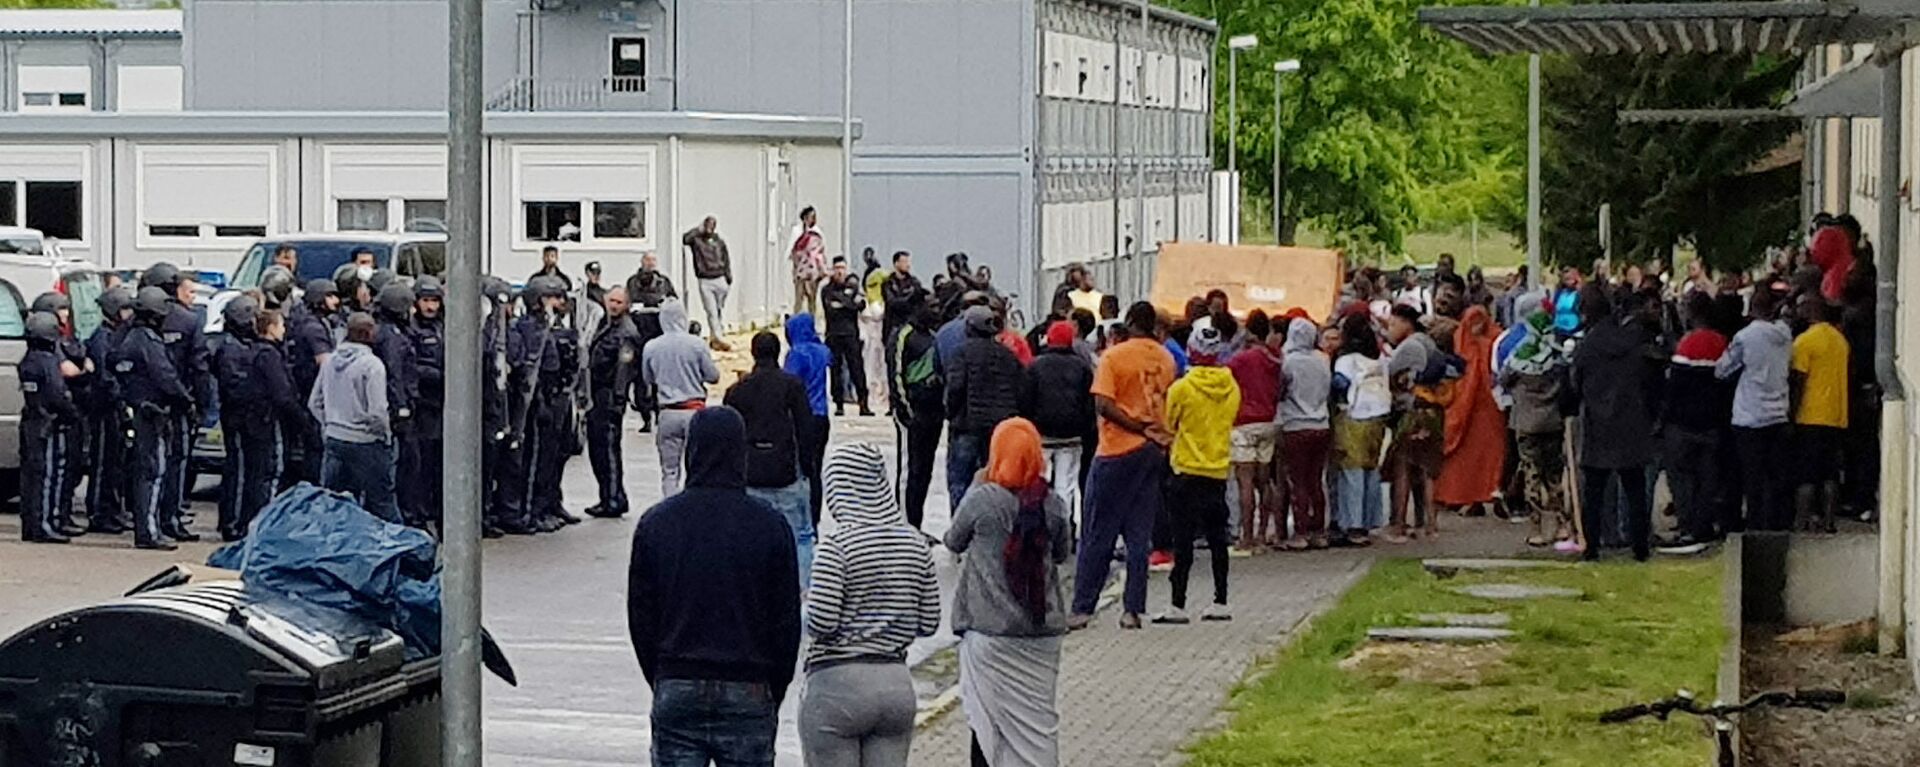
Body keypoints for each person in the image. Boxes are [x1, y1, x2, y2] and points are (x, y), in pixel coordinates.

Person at [627, 407, 801, 767]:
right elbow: (785, 621)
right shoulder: (769, 526)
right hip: (748, 683)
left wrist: (662, 675)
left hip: (678, 679)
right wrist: (773, 688)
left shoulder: (657, 524)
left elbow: (641, 615)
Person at [801, 443, 942, 767]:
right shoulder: (914, 543)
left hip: (837, 686)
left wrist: (806, 603)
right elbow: (929, 621)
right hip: (895, 684)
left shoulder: (838, 545)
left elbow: (822, 623)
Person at [945, 417, 1071, 767]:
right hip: (1042, 633)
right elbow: (1062, 553)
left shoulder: (983, 499)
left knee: (986, 724)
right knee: (1038, 724)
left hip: (989, 632)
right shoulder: (1053, 502)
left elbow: (953, 540)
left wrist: (977, 481)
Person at [1070, 302, 1176, 631]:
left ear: (1130, 322)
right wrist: (1152, 432)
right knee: (1138, 532)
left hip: (1116, 449)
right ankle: (1132, 610)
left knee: (1098, 530)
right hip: (1152, 450)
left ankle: (1083, 607)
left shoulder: (1114, 357)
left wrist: (1134, 426)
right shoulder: (1165, 358)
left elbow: (1103, 403)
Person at [1156, 317, 1240, 624]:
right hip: (1217, 469)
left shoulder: (1182, 388)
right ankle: (1221, 600)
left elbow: (1168, 423)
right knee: (1218, 540)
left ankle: (1177, 605)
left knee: (1182, 541)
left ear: (1191, 349)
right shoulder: (1231, 386)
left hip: (1185, 470)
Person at [1569, 286, 1656, 561]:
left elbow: (1575, 385)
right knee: (1634, 489)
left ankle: (1592, 545)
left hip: (1598, 423)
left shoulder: (1587, 347)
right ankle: (1640, 545)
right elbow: (1649, 379)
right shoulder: (1632, 341)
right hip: (1631, 420)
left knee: (1594, 491)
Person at [725, 331, 818, 585]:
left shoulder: (737, 391)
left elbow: (730, 436)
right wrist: (809, 469)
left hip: (751, 475)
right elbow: (805, 429)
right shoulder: (792, 386)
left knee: (751, 537)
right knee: (800, 535)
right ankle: (801, 591)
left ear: (754, 353)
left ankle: (752, 588)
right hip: (787, 471)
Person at [309, 313, 402, 523]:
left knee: (334, 504)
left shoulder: (330, 360)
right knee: (382, 503)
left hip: (335, 439)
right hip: (367, 443)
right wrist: (384, 433)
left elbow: (314, 401)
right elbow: (377, 410)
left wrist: (330, 423)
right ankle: (397, 550)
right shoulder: (372, 365)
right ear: (370, 333)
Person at [138, 263, 208, 541]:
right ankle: (170, 517)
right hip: (178, 401)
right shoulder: (189, 320)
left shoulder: (139, 319)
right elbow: (199, 366)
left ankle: (153, 518)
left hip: (149, 400)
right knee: (176, 460)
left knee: (150, 465)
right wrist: (200, 404)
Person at [1658, 292, 1731, 553]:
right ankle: (1704, 524)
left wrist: (1663, 420)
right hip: (1713, 422)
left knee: (1682, 478)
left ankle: (1689, 527)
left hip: (1684, 423)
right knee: (1708, 477)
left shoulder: (1687, 345)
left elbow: (1675, 386)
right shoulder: (1723, 343)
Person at [1716, 287, 1792, 531]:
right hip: (1779, 411)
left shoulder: (1745, 337)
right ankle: (1777, 522)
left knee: (1753, 476)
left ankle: (1756, 522)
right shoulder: (1785, 334)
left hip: (1750, 415)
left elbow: (1722, 370)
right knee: (1776, 475)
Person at [213, 298, 284, 540]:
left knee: (246, 469)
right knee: (239, 470)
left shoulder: (242, 345)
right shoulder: (231, 348)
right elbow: (234, 385)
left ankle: (236, 519)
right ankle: (232, 522)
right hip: (239, 417)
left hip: (244, 416)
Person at [945, 305, 1024, 512]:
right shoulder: (1008, 356)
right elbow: (1020, 389)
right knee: (995, 479)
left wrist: (951, 414)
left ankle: (961, 528)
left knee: (960, 481)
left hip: (967, 425)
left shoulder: (961, 353)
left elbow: (955, 388)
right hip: (999, 429)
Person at [642, 299, 721, 497]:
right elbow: (713, 376)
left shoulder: (651, 347)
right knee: (697, 467)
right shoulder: (696, 344)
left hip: (667, 412)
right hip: (695, 411)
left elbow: (647, 378)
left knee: (669, 471)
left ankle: (670, 508)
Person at [1434, 306, 1506, 516]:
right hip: (1469, 408)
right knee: (1466, 457)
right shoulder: (1463, 341)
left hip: (1487, 411)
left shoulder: (1492, 340)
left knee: (1487, 457)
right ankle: (1462, 496)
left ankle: (1484, 494)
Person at [1022, 320, 1095, 525]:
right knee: (1066, 484)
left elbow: (1026, 400)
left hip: (1041, 434)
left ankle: (1040, 526)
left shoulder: (1035, 365)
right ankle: (1063, 528)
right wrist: (1086, 430)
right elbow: (1089, 403)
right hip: (1072, 435)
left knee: (1040, 481)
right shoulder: (1082, 367)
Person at [580, 286, 643, 519]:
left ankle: (613, 498)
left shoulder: (626, 332)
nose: (614, 305)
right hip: (598, 394)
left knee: (606, 449)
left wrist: (618, 399)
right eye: (611, 301)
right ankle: (607, 496)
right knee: (599, 449)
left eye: (619, 301)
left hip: (608, 396)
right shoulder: (608, 326)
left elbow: (624, 369)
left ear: (626, 304)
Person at [1383, 305, 1445, 542]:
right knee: (1428, 471)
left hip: (1412, 413)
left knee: (1403, 469)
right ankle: (1430, 524)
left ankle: (1398, 524)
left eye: (1393, 324)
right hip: (1433, 412)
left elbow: (1395, 379)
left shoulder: (1409, 347)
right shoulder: (1429, 343)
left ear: (1406, 323)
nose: (1390, 330)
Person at [1790, 296, 1850, 533]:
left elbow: (1799, 381)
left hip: (1810, 415)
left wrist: (1792, 413)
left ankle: (1802, 520)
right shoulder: (1840, 340)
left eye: (1802, 306)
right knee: (1830, 472)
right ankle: (1829, 521)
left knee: (1806, 472)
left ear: (1812, 310)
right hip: (1836, 415)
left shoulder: (1804, 342)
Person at [1330, 313, 1392, 545]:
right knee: (1371, 469)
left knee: (1351, 472)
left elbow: (1340, 385)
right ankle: (1369, 520)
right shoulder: (1379, 357)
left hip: (1354, 416)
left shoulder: (1347, 360)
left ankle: (1352, 523)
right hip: (1378, 416)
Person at [19, 311, 79, 544]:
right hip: (48, 424)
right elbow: (57, 394)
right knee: (47, 475)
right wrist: (71, 414)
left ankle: (32, 524)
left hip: (32, 421)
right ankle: (43, 525)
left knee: (31, 477)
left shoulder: (27, 360)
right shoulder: (46, 361)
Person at [1227, 315, 1283, 550]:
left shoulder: (1240, 360)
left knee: (1245, 482)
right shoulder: (1275, 359)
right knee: (1265, 480)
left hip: (1244, 422)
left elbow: (1225, 378)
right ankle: (1264, 532)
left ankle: (1247, 536)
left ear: (1249, 332)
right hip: (1268, 420)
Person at [83, 286, 135, 534]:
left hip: (115, 405)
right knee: (104, 460)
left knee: (117, 462)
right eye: (125, 309)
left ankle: (113, 509)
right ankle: (98, 512)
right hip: (104, 407)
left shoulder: (118, 335)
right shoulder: (102, 338)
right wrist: (120, 400)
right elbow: (105, 376)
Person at [1279, 316, 1333, 550]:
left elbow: (1282, 390)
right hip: (1321, 423)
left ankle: (1300, 531)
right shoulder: (1323, 360)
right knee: (1315, 480)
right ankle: (1319, 530)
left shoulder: (1289, 362)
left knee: (1297, 481)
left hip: (1295, 424)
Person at [775, 313, 834, 525]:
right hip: (822, 415)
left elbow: (787, 382)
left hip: (802, 416)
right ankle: (815, 518)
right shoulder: (822, 350)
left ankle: (802, 517)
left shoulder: (797, 354)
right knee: (816, 469)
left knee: (801, 470)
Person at [891, 300, 944, 531]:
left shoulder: (934, 336)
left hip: (934, 413)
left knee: (925, 470)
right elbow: (896, 373)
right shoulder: (904, 335)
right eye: (930, 306)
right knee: (909, 469)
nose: (935, 310)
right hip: (912, 412)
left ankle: (917, 524)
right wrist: (904, 409)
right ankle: (903, 526)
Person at [402, 277, 447, 529]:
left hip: (445, 406)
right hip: (423, 406)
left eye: (434, 301)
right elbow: (409, 365)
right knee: (422, 465)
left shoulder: (445, 326)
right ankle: (420, 514)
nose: (430, 306)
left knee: (442, 465)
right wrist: (435, 375)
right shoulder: (412, 329)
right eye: (426, 301)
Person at [822, 256, 873, 417]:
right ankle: (839, 404)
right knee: (835, 370)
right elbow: (831, 308)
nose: (840, 271)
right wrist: (849, 303)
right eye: (837, 268)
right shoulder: (827, 290)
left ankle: (863, 404)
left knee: (857, 369)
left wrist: (845, 303)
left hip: (851, 334)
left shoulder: (853, 287)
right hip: (834, 334)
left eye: (842, 268)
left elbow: (860, 305)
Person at [684, 216, 734, 351]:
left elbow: (726, 258)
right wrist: (697, 230)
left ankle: (715, 338)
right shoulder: (696, 240)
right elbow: (685, 239)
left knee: (718, 310)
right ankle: (719, 336)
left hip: (720, 277)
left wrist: (728, 276)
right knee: (711, 311)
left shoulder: (719, 241)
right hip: (705, 279)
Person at [790, 206, 826, 317]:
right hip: (801, 271)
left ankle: (811, 321)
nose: (814, 219)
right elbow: (793, 250)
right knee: (799, 298)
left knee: (812, 298)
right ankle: (796, 321)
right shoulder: (797, 231)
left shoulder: (817, 233)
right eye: (811, 217)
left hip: (813, 271)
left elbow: (820, 251)